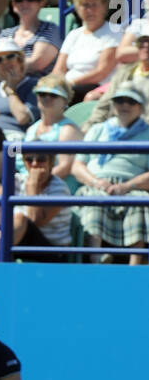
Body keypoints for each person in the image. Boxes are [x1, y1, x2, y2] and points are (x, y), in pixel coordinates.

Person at [73, 88, 149, 265]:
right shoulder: (97, 130)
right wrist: (97, 182)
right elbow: (77, 166)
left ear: (140, 107)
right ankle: (96, 259)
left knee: (140, 202)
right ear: (113, 105)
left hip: (133, 187)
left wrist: (127, 186)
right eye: (119, 101)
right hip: (97, 184)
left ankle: (136, 265)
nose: (124, 105)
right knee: (94, 199)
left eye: (131, 102)